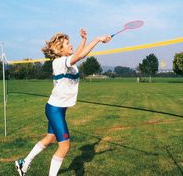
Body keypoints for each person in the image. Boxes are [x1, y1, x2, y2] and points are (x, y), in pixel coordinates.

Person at [15, 29, 111, 176]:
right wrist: (97, 39)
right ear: (60, 50)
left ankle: (24, 163)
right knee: (65, 146)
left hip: (57, 108)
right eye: (67, 43)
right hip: (54, 110)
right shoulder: (59, 62)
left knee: (50, 138)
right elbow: (78, 56)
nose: (70, 45)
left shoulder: (68, 62)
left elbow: (79, 54)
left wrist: (88, 40)